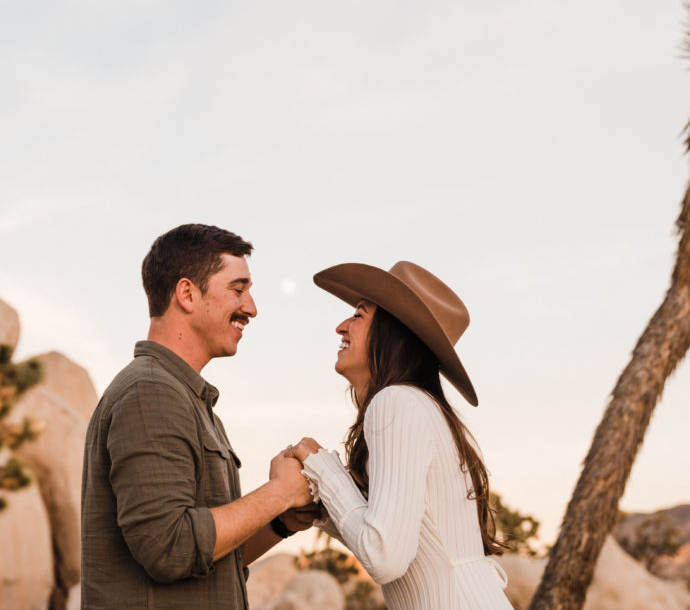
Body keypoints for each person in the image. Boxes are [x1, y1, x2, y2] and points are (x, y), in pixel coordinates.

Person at [81, 224, 314, 609]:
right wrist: (280, 492)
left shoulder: (185, 399)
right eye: (238, 290)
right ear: (187, 293)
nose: (251, 307)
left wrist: (281, 521)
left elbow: (206, 559)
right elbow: (169, 547)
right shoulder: (151, 393)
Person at [288, 261, 513, 609]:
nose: (341, 326)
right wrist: (322, 509)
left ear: (393, 332)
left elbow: (385, 556)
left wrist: (319, 465)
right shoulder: (415, 405)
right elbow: (404, 546)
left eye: (359, 316)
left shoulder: (396, 402)